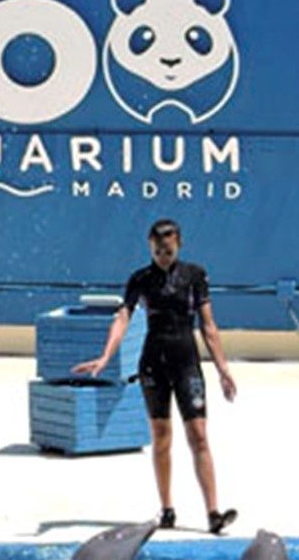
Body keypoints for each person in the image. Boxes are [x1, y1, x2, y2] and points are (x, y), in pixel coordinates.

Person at [73, 218, 238, 534]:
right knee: (162, 438)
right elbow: (123, 317)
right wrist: (106, 356)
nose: (163, 255)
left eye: (168, 249)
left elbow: (209, 326)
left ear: (179, 245)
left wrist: (223, 369)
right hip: (153, 365)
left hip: (187, 362)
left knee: (199, 436)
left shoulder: (194, 276)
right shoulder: (141, 279)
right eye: (158, 250)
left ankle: (213, 513)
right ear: (150, 247)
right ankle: (167, 509)